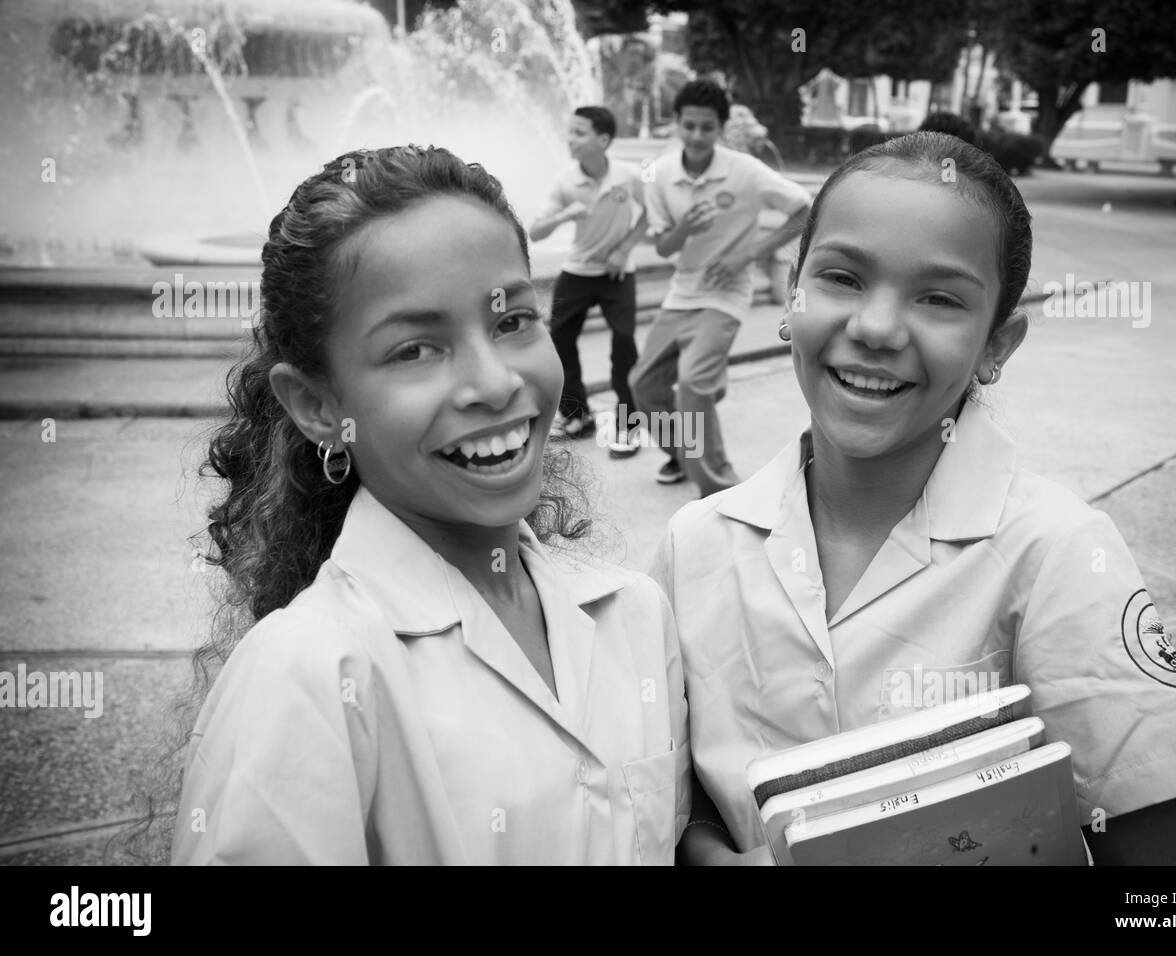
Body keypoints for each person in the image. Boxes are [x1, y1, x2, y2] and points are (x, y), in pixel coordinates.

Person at [652, 132, 1176, 865]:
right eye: (841, 278)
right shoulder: (694, 544)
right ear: (791, 292)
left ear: (998, 345)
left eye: (939, 298)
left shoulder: (1056, 554)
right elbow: (680, 793)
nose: (874, 328)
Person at [170, 145, 689, 865]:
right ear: (317, 406)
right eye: (415, 349)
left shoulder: (635, 614)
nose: (495, 381)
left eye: (512, 322)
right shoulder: (308, 679)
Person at [630, 79, 811, 494]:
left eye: (706, 127)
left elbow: (803, 208)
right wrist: (684, 228)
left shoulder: (744, 170)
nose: (696, 136)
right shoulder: (658, 173)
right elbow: (662, 246)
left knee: (693, 384)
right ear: (675, 123)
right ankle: (683, 453)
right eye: (689, 125)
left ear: (721, 128)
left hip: (726, 296)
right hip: (682, 293)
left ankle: (718, 487)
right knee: (644, 385)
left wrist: (747, 254)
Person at [529, 106, 648, 457]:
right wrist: (566, 214)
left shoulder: (629, 176)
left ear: (604, 140)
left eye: (580, 133)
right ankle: (578, 416)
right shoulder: (565, 181)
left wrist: (623, 248)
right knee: (559, 340)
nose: (571, 139)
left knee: (624, 342)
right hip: (578, 271)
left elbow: (650, 215)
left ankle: (628, 425)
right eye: (571, 132)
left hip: (618, 273)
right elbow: (536, 232)